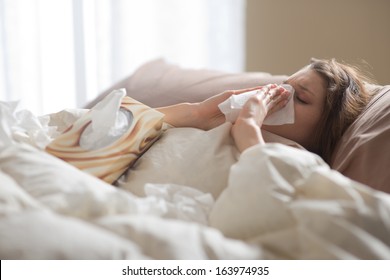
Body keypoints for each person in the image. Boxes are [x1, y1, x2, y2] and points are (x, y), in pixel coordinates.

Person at [157, 58, 373, 164]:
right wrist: (198, 113)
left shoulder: (298, 158)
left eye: (300, 97)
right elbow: (129, 123)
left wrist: (249, 128)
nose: (282, 95)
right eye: (284, 85)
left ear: (325, 129)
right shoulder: (222, 122)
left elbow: (265, 193)